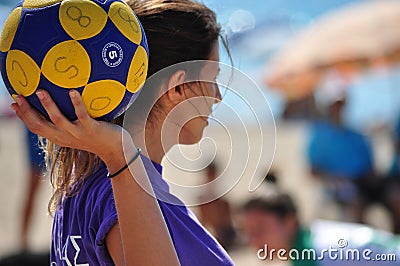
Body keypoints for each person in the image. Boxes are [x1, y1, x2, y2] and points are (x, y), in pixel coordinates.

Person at [10, 0, 234, 265]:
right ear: (177, 88)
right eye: (213, 79)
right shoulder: (120, 194)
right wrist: (120, 155)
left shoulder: (82, 186)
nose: (218, 96)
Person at [240, 187, 400, 266]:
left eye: (260, 229)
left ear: (290, 222)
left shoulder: (311, 254)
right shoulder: (315, 235)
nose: (253, 240)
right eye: (248, 232)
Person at [198, 162, 236, 250]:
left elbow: (228, 218)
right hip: (215, 232)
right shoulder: (205, 196)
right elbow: (204, 219)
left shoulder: (219, 195)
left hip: (224, 232)